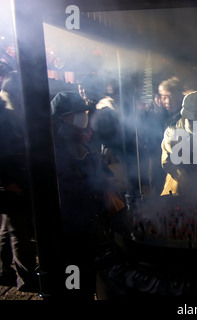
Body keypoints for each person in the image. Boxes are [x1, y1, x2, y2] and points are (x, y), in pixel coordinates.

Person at [51, 91, 125, 299]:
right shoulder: (55, 146)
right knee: (74, 275)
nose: (84, 116)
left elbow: (98, 164)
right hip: (71, 225)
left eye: (84, 111)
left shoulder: (82, 138)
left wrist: (110, 179)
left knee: (96, 270)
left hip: (93, 219)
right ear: (63, 117)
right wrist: (102, 183)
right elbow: (65, 185)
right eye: (78, 113)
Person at [0, 91, 38, 292]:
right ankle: (27, 279)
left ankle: (3, 271)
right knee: (19, 234)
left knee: (8, 229)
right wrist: (7, 183)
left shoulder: (7, 114)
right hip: (10, 184)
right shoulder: (4, 117)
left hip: (14, 181)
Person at [160, 91, 197, 196]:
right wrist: (184, 178)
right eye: (193, 120)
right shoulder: (172, 132)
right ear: (185, 117)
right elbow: (167, 162)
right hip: (177, 190)